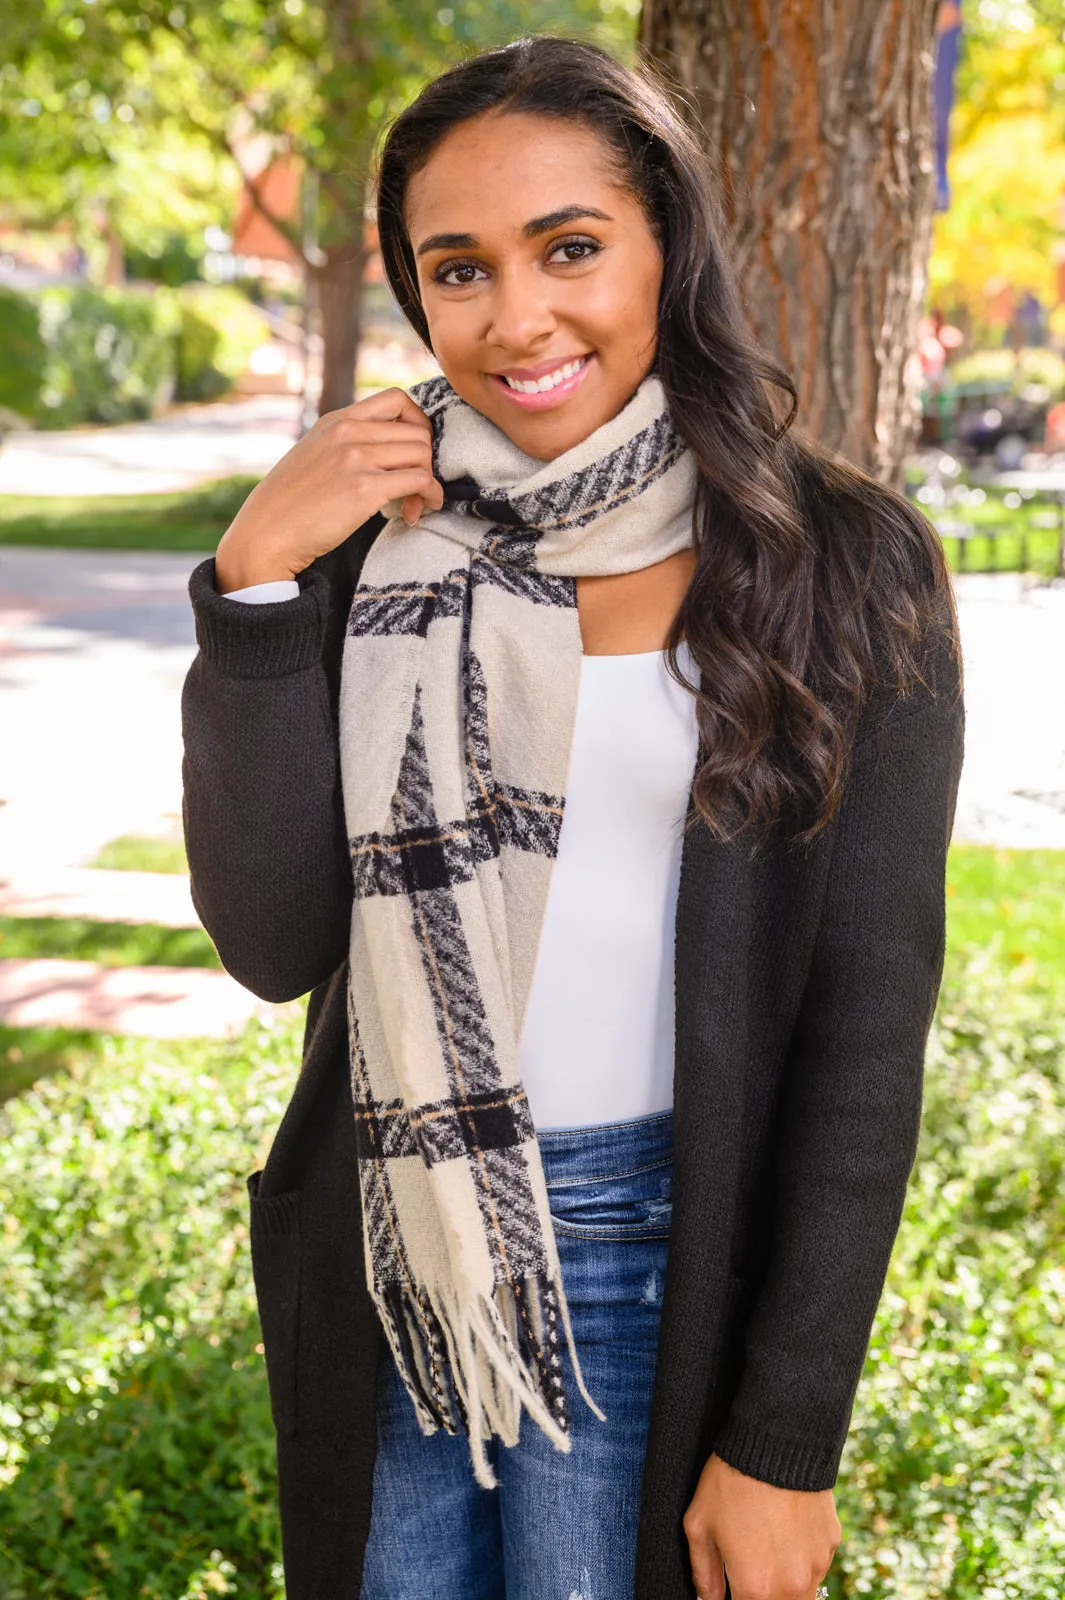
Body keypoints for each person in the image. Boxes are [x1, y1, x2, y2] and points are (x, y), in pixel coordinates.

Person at [180, 34, 965, 1600]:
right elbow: (272, 945)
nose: (518, 317)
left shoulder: (842, 565)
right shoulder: (371, 549)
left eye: (573, 248)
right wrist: (257, 584)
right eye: (458, 267)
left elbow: (866, 1039)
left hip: (665, 1260)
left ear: (667, 247)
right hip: (403, 1248)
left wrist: (788, 1436)